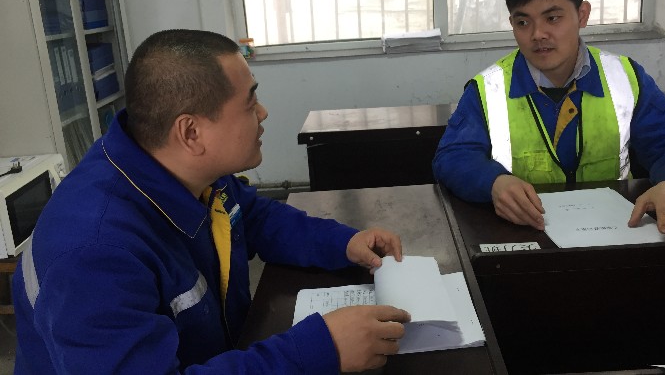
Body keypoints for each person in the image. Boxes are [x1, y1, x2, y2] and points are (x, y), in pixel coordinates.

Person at [12, 29, 410, 374]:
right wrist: (321, 349)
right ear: (191, 133)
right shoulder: (94, 255)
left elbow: (251, 216)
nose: (263, 113)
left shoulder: (183, 169)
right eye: (250, 102)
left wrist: (341, 242)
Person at [433, 0, 665, 241]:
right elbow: (453, 157)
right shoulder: (488, 88)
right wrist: (493, 182)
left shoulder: (624, 77)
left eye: (552, 18)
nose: (538, 34)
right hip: (526, 236)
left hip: (618, 235)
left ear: (582, 15)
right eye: (523, 22)